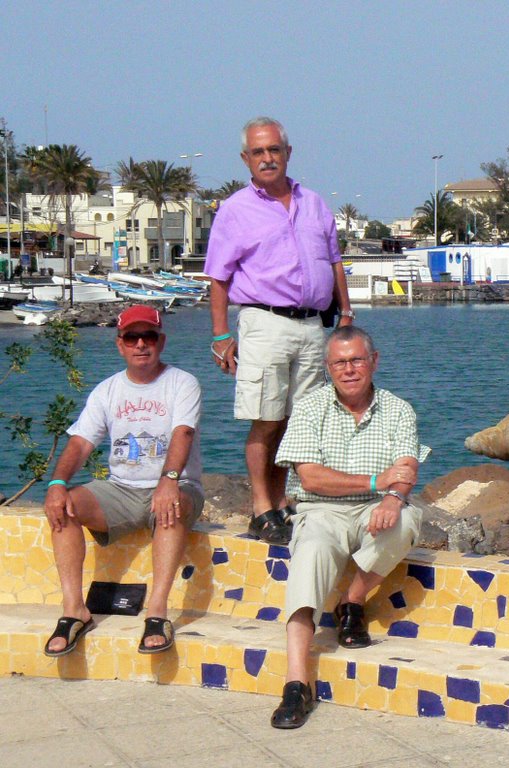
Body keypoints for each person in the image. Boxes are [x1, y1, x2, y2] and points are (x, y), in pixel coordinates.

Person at [204, 116, 354, 545]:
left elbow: (334, 260)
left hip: (312, 326)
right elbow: (218, 276)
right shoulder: (235, 210)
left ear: (288, 153)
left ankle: (284, 499)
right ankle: (261, 507)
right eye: (258, 152)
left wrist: (345, 314)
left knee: (298, 421)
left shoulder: (315, 203)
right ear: (245, 159)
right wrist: (219, 335)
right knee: (267, 419)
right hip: (264, 322)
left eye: (274, 150)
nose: (267, 158)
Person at [270, 326, 421, 729]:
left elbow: (406, 467)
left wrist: (391, 497)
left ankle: (351, 602)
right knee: (312, 553)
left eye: (357, 360)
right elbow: (312, 478)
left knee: (405, 520)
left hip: (376, 507)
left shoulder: (398, 409)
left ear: (374, 361)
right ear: (327, 367)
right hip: (321, 509)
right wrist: (376, 482)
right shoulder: (309, 408)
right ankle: (296, 683)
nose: (349, 369)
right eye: (340, 362)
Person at [42, 305, 204, 657]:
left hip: (177, 483)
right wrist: (56, 483)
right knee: (63, 505)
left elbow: (183, 432)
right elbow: (82, 442)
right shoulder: (107, 390)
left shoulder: (182, 383)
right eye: (132, 337)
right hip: (121, 488)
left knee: (171, 506)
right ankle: (74, 610)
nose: (141, 344)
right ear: (120, 344)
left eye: (149, 337)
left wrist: (169, 479)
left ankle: (157, 612)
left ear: (161, 342)